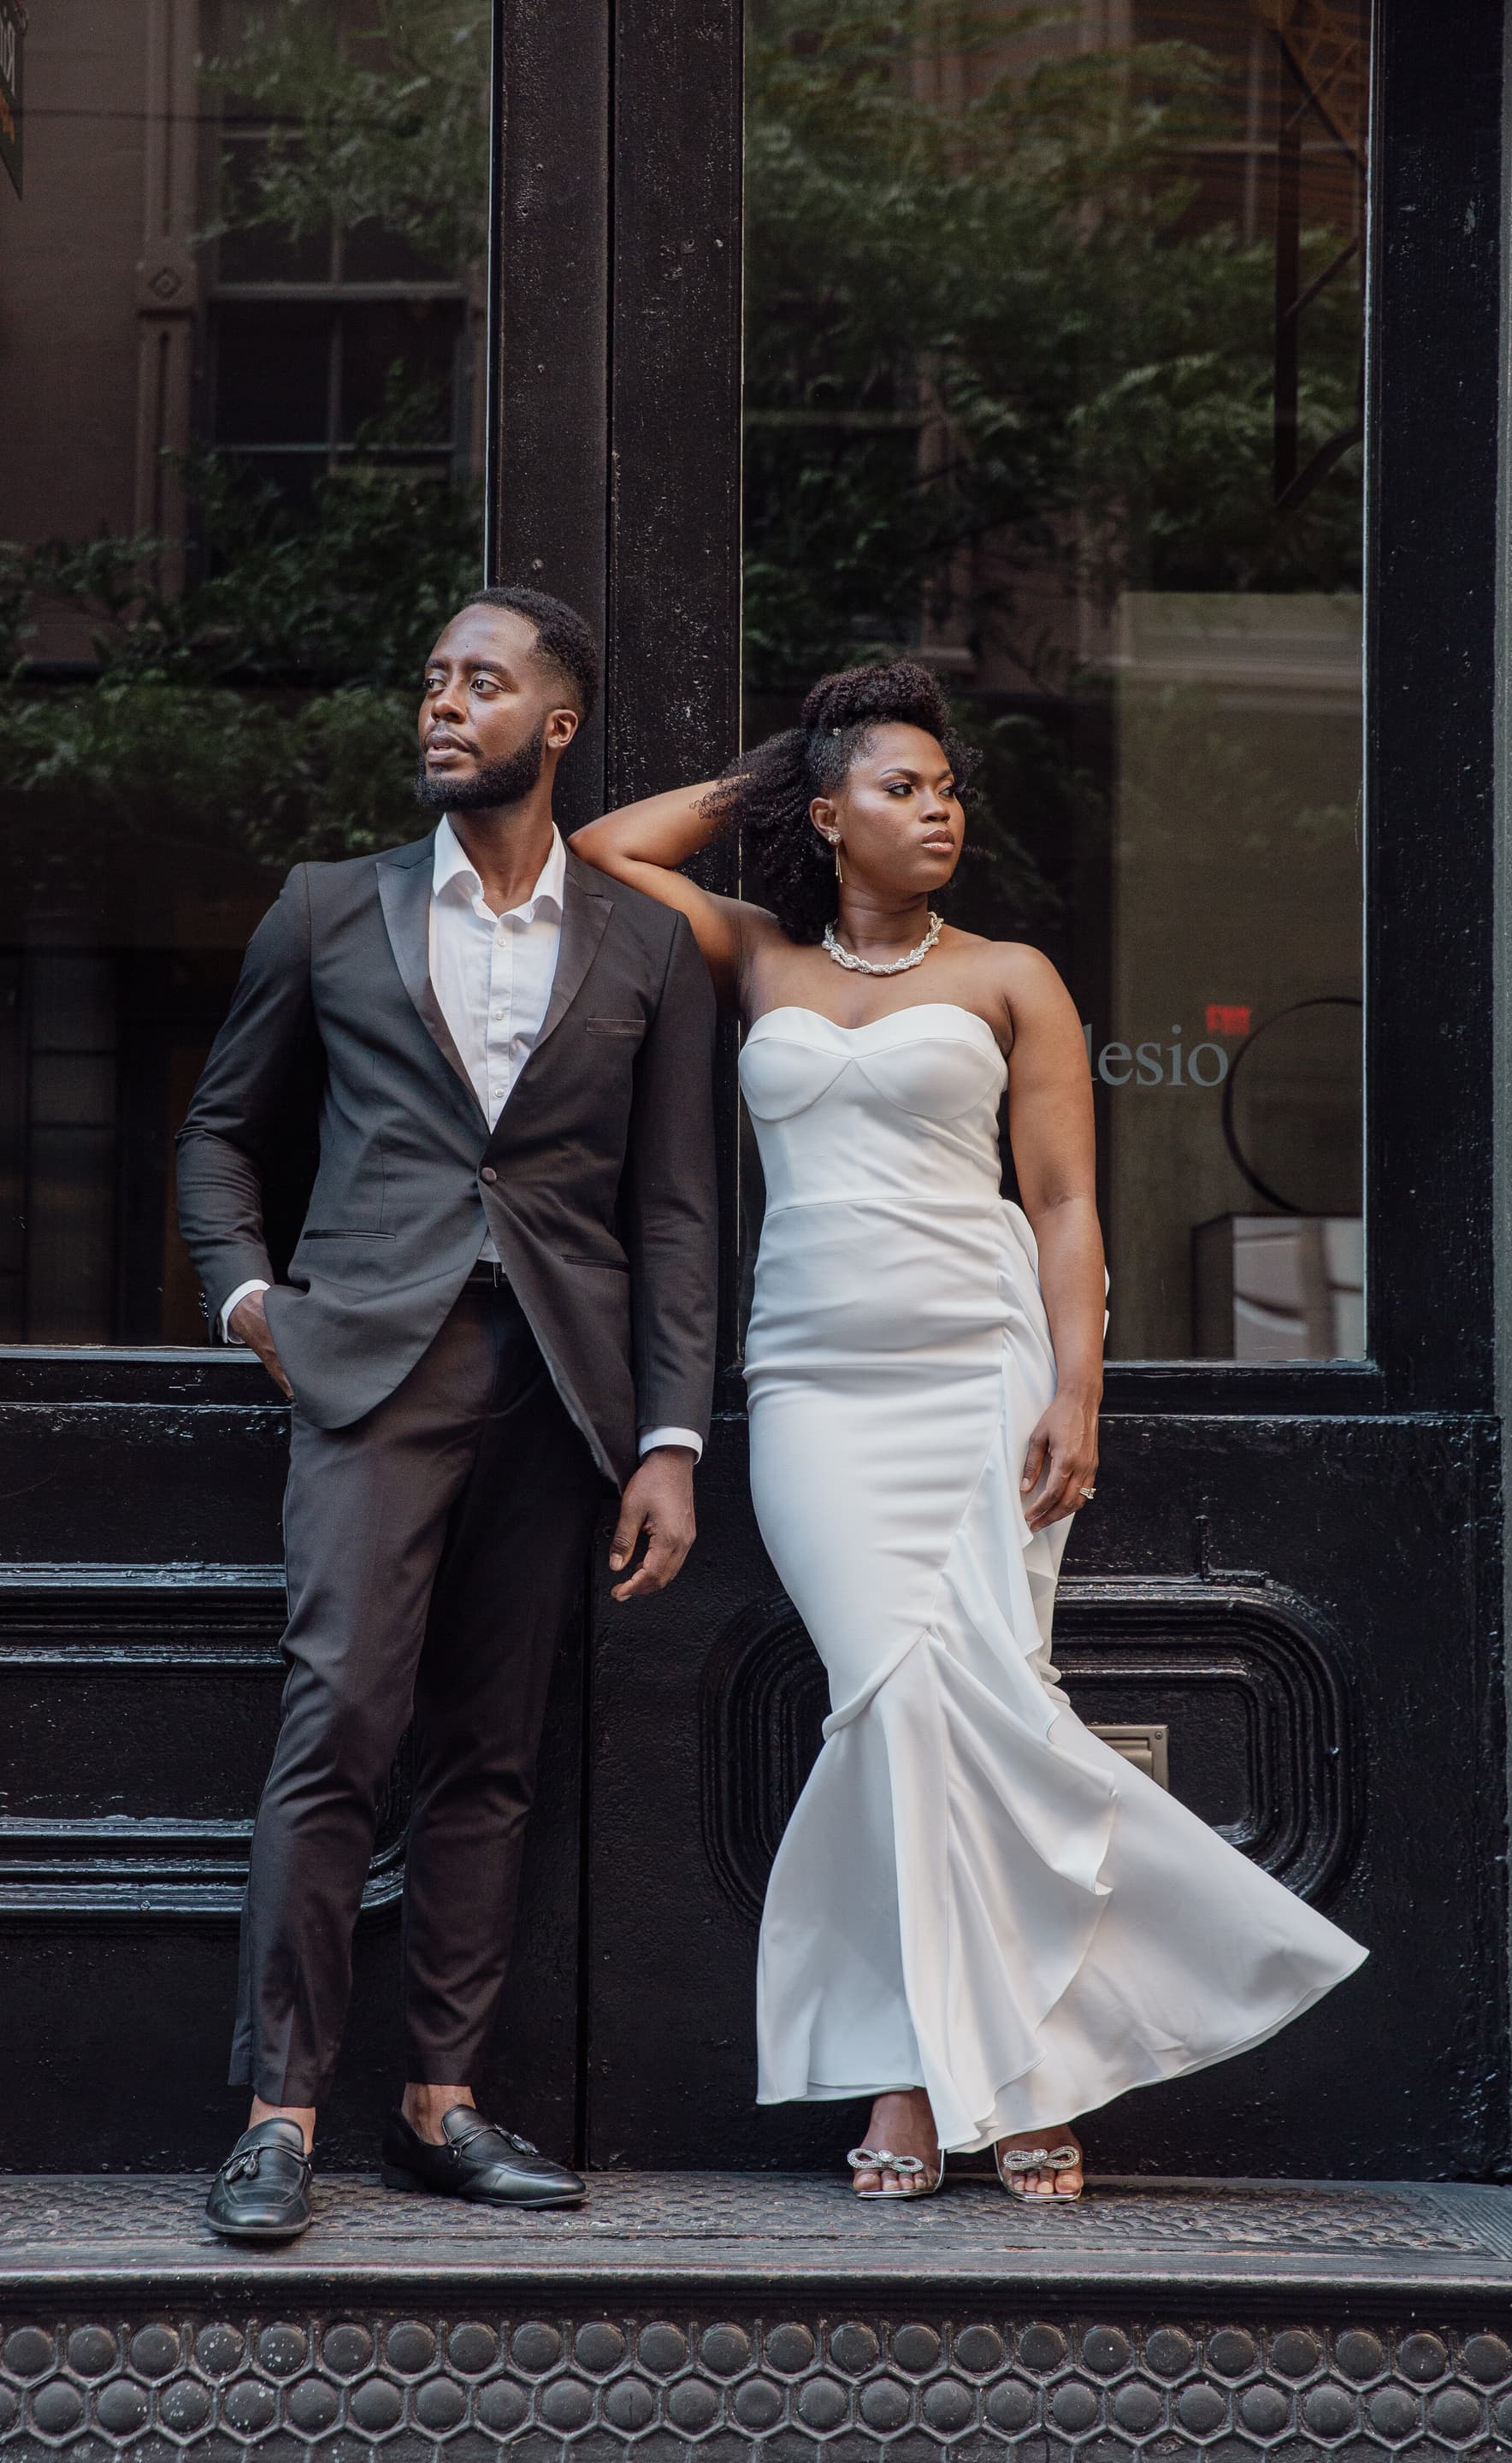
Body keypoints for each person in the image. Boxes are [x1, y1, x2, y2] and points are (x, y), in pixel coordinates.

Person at [570, 659, 1366, 2203]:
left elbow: (1064, 1205)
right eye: (902, 787)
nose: (940, 811)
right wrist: (784, 761)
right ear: (828, 814)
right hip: (810, 1386)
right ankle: (1008, 2065)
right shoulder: (759, 964)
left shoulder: (1013, 975)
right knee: (895, 1699)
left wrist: (1079, 1389)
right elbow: (612, 851)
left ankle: (923, 2086)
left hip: (980, 1375)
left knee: (966, 1705)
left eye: (948, 792)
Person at [177, 588, 718, 2241]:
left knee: (491, 1754)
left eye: (481, 685)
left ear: (556, 726)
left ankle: (439, 2107)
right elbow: (217, 1134)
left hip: (561, 1390)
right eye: (431, 681)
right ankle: (278, 2118)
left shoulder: (649, 944)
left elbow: (681, 1209)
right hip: (371, 1373)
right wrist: (248, 1293)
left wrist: (674, 1441)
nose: (442, 706)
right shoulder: (329, 909)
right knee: (335, 1722)